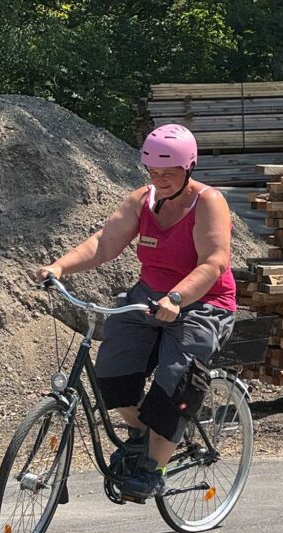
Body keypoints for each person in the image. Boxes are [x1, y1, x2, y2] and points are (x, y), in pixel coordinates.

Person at [35, 124, 236, 500]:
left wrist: (176, 298)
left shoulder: (208, 202)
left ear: (188, 168)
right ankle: (144, 434)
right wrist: (59, 267)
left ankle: (154, 467)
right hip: (147, 299)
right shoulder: (142, 201)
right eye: (153, 173)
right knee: (112, 376)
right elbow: (102, 243)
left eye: (168, 174)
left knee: (175, 381)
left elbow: (214, 262)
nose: (159, 181)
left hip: (202, 303)